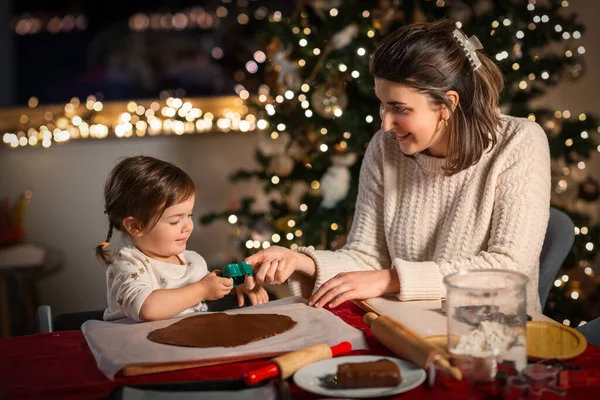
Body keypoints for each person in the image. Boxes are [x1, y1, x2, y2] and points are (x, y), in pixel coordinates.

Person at [245, 20, 551, 314]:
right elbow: (367, 255)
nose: (386, 124)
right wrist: (299, 261)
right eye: (382, 104)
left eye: (399, 109)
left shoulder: (520, 143)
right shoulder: (384, 148)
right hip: (405, 325)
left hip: (494, 334)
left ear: (447, 106)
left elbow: (508, 268)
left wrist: (390, 279)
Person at [96, 156, 268, 322]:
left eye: (189, 215)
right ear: (135, 226)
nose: (188, 226)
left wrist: (237, 288)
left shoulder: (193, 261)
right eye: (175, 221)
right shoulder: (128, 265)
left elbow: (211, 290)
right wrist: (201, 290)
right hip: (137, 346)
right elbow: (146, 309)